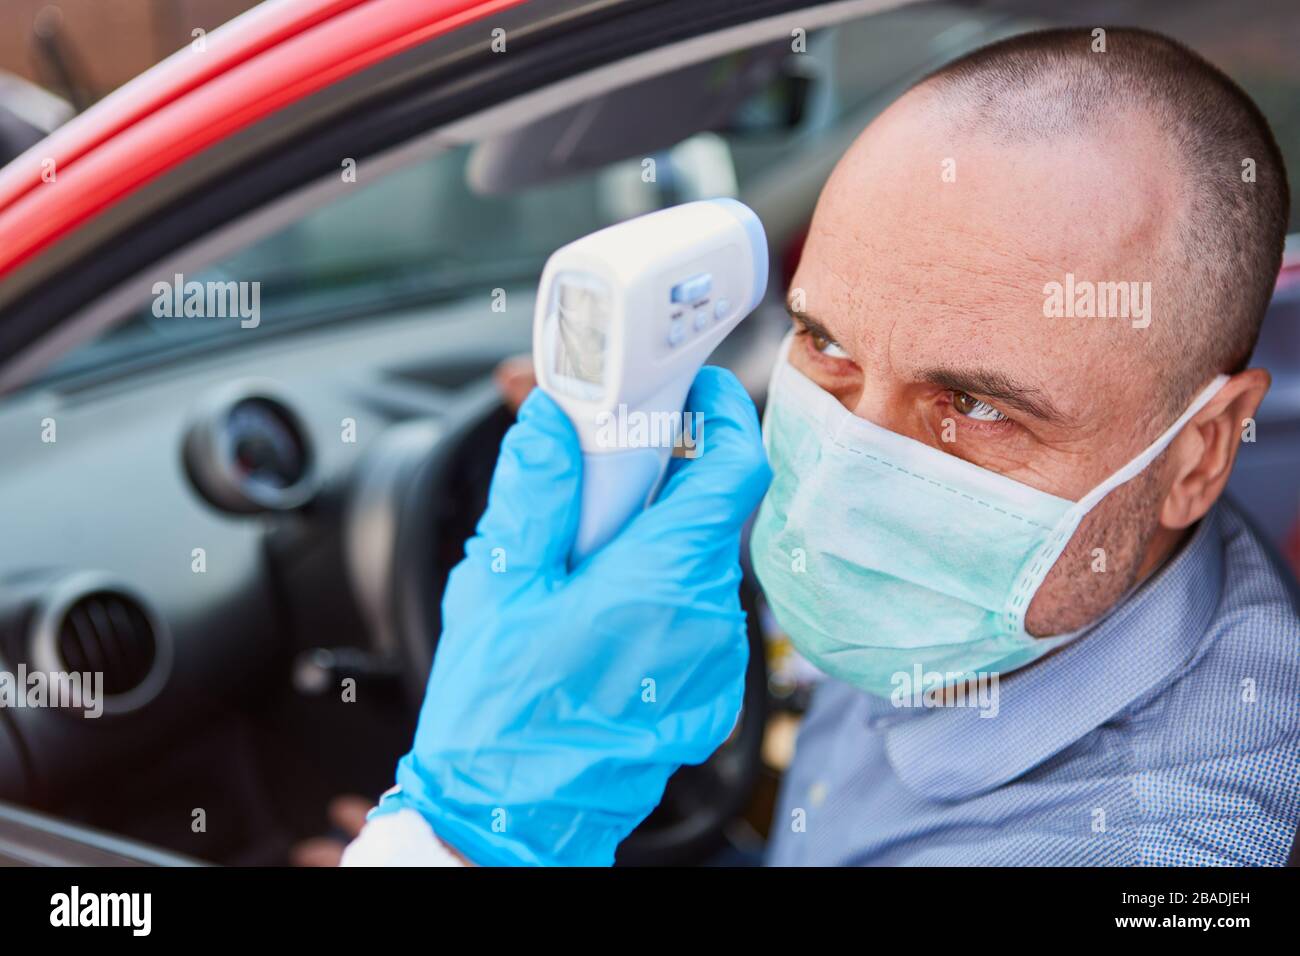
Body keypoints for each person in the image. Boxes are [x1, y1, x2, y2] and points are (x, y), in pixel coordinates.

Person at [341, 27, 1299, 867]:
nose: (838, 487)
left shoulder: (1149, 848)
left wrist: (457, 844)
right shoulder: (1037, 590)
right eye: (828, 345)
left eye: (971, 405)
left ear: (1200, 452)